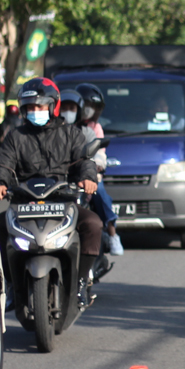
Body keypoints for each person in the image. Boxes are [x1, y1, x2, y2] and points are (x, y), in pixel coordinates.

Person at [0, 78, 103, 274]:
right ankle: (8, 281)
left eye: (40, 106)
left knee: (93, 224)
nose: (35, 111)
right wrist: (0, 182)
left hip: (63, 202)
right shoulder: (15, 136)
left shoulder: (72, 134)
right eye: (30, 107)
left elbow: (84, 160)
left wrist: (88, 178)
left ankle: (82, 278)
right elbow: (4, 163)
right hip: (24, 204)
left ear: (53, 106)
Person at [75, 82, 123, 257]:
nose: (89, 110)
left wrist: (97, 164)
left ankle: (112, 234)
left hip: (91, 176)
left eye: (93, 107)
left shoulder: (96, 129)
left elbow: (100, 152)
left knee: (101, 196)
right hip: (70, 177)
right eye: (87, 105)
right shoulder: (67, 126)